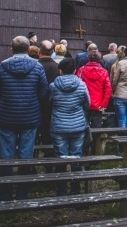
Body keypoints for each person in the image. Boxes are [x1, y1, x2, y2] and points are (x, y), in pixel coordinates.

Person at [0, 35, 49, 201]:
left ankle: (6, 193)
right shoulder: (37, 67)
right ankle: (23, 192)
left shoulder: (2, 66)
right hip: (30, 116)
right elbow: (43, 91)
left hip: (7, 116)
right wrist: (34, 105)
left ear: (12, 49)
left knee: (6, 154)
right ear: (28, 49)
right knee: (26, 154)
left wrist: (4, 104)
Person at [49, 58, 90, 195]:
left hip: (59, 125)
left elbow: (49, 103)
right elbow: (87, 104)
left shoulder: (53, 86)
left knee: (60, 158)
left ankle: (61, 190)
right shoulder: (82, 85)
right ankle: (76, 189)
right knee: (76, 158)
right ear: (74, 70)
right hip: (78, 125)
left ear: (60, 70)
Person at [76, 49, 111, 128]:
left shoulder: (81, 70)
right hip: (98, 104)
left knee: (83, 126)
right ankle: (96, 140)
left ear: (88, 58)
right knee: (97, 127)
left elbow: (77, 86)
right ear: (99, 59)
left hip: (84, 102)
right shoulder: (104, 72)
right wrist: (103, 104)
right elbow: (108, 89)